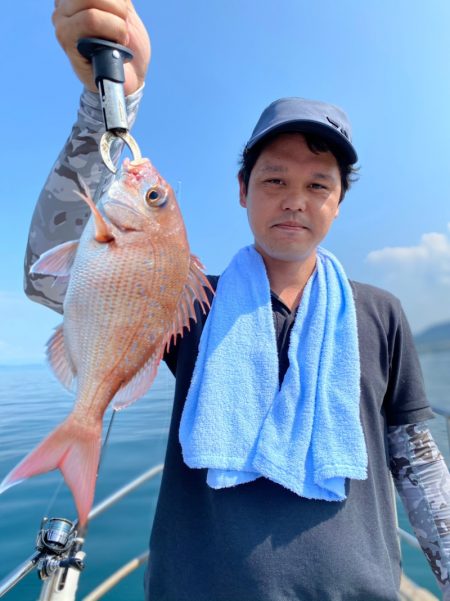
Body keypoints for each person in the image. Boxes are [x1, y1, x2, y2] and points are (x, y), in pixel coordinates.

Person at [24, 2, 450, 600]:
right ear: (243, 192)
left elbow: (415, 457)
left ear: (338, 203)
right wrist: (108, 105)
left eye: (317, 185)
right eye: (274, 180)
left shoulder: (380, 311)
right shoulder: (192, 299)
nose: (294, 200)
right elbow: (47, 278)